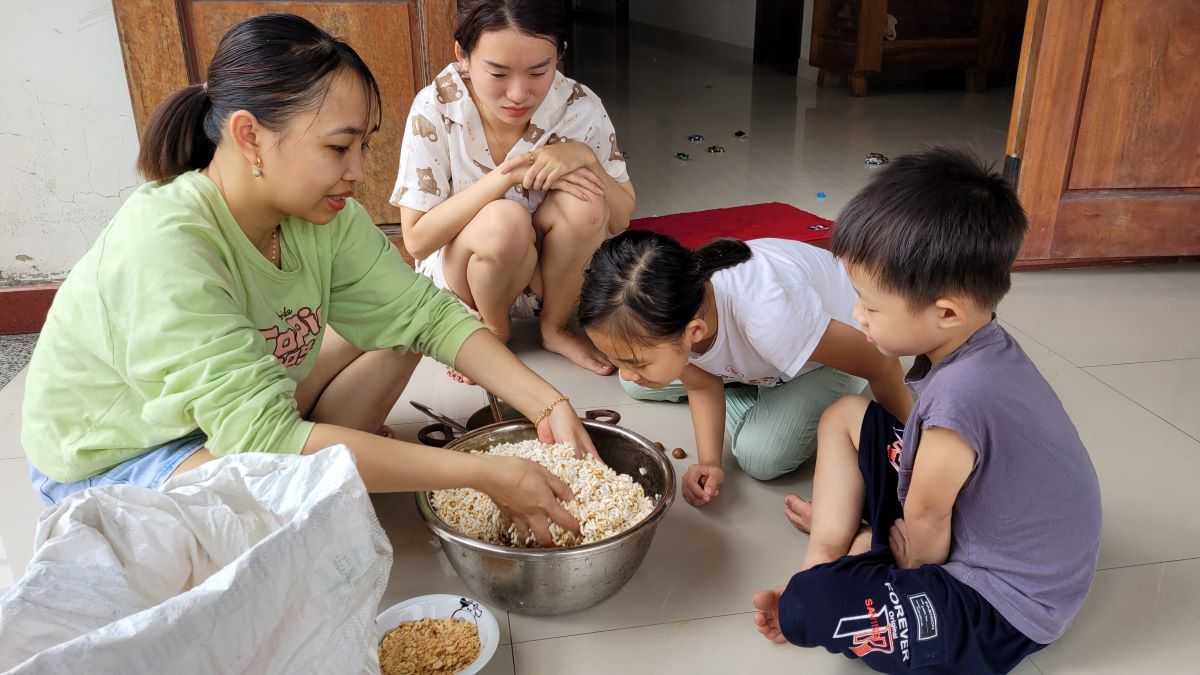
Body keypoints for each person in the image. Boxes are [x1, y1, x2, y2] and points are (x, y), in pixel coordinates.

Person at [21, 13, 594, 546]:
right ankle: (327, 469)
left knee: (400, 333)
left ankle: (335, 462)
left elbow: (424, 313)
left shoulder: (321, 213)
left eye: (363, 145)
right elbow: (263, 442)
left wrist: (546, 403)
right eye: (338, 147)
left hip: (231, 417)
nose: (357, 173)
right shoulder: (165, 245)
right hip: (125, 456)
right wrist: (483, 473)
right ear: (249, 137)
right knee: (272, 525)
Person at [752, 147, 1102, 673]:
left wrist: (902, 563)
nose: (856, 315)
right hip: (975, 516)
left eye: (870, 306)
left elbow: (927, 516)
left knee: (806, 610)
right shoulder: (981, 345)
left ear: (946, 311)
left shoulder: (960, 399)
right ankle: (831, 552)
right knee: (846, 414)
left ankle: (846, 561)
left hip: (1003, 603)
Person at [391, 0, 636, 382]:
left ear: (560, 53)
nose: (519, 94)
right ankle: (491, 330)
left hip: (548, 281)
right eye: (498, 73)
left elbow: (620, 218)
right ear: (463, 55)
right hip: (465, 279)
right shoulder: (435, 107)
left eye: (539, 71)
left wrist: (586, 157)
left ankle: (554, 328)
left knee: (587, 200)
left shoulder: (579, 105)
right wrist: (503, 178)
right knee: (504, 219)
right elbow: (417, 240)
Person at [577, 231, 912, 508]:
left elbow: (880, 363)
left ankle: (757, 384)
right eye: (618, 357)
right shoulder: (682, 306)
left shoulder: (769, 318)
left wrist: (913, 447)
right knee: (636, 384)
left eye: (636, 360)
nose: (628, 369)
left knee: (761, 457)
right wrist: (710, 461)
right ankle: (750, 380)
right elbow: (701, 383)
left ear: (693, 332)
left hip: (834, 348)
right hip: (771, 350)